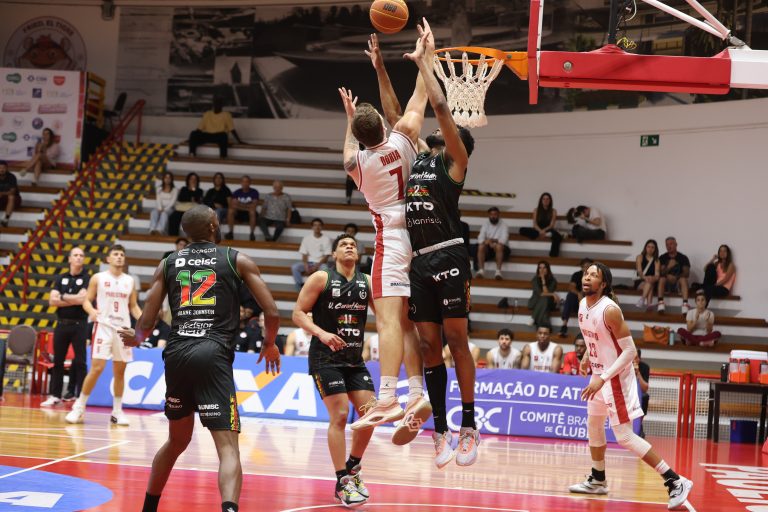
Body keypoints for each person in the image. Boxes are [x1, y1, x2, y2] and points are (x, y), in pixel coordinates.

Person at [118, 204, 280, 512]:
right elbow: (271, 312)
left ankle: (148, 508)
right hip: (212, 353)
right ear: (213, 226)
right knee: (228, 448)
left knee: (177, 441)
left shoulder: (168, 263)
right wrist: (270, 344)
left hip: (177, 354)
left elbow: (147, 321)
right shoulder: (235, 259)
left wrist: (137, 339)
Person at [337, 30, 430, 444]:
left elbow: (348, 152)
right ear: (383, 125)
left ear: (360, 137)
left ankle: (389, 397)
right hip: (421, 234)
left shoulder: (357, 165)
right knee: (407, 322)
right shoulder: (405, 136)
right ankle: (416, 393)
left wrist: (348, 119)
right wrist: (425, 56)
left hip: (390, 240)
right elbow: (419, 96)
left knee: (389, 320)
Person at [398, 20, 481, 467]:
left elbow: (442, 108)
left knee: (455, 339)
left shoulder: (455, 162)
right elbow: (401, 116)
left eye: (446, 132)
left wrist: (427, 65)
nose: (438, 130)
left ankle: (469, 425)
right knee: (429, 346)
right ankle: (441, 431)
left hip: (449, 253)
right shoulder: (418, 161)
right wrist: (403, 64)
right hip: (419, 261)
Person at [570, 262, 692, 509]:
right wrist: (588, 356)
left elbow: (630, 351)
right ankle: (598, 479)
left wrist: (603, 377)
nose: (587, 278)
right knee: (594, 424)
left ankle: (675, 480)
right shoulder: (583, 305)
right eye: (586, 274)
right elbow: (594, 336)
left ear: (603, 284)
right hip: (599, 375)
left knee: (625, 437)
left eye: (593, 275)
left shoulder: (610, 311)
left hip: (615, 379)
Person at [292, 234, 377, 507]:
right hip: (325, 358)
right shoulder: (321, 278)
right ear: (334, 254)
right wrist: (322, 333)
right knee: (339, 415)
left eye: (353, 245)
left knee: (370, 415)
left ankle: (353, 467)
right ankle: (342, 481)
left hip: (355, 360)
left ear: (358, 254)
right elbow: (297, 313)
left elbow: (385, 316)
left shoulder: (367, 282)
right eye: (343, 245)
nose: (349, 247)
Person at [65, 245, 142, 426]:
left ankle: (117, 412)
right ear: (108, 259)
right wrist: (91, 311)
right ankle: (79, 407)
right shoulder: (98, 278)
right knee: (97, 368)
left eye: (122, 254)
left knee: (120, 371)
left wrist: (144, 320)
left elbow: (133, 306)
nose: (119, 257)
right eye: (115, 254)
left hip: (124, 330)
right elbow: (86, 300)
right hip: (103, 326)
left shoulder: (129, 281)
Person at [41, 247, 90, 407]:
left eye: (81, 255)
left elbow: (83, 299)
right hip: (62, 324)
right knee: (58, 361)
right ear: (69, 259)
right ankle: (55, 395)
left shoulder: (87, 278)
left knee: (81, 362)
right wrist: (72, 299)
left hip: (79, 325)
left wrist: (61, 297)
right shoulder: (60, 278)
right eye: (75, 255)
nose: (78, 257)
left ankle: (80, 397)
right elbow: (51, 301)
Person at [291, 218, 332, 290]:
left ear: (322, 227)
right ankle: (300, 286)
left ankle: (320, 289)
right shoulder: (306, 238)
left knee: (325, 269)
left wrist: (316, 266)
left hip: (321, 263)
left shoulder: (326, 239)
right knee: (295, 267)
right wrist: (305, 265)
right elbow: (304, 254)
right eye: (315, 225)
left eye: (319, 225)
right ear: (312, 227)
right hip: (309, 263)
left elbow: (326, 256)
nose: (317, 227)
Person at [519, 192, 563, 257]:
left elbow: (551, 225)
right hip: (538, 229)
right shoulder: (536, 210)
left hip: (548, 230)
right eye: (544, 199)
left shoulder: (554, 211)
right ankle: (541, 234)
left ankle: (553, 256)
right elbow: (535, 224)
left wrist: (543, 231)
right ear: (541, 200)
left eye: (547, 199)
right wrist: (540, 231)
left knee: (558, 237)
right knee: (521, 230)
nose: (545, 200)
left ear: (550, 201)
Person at [657, 236, 691, 314]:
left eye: (671, 244)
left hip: (678, 284)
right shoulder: (662, 257)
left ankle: (685, 304)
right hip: (666, 284)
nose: (669, 246)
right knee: (662, 279)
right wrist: (669, 267)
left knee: (683, 279)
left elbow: (687, 273)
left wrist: (676, 277)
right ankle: (661, 303)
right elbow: (660, 273)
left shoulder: (683, 258)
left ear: (676, 244)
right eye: (667, 245)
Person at [560, 258, 593, 337]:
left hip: (589, 301)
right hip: (576, 302)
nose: (587, 268)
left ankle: (586, 329)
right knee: (570, 296)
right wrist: (579, 294)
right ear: (581, 267)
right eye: (585, 266)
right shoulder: (577, 275)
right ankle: (564, 325)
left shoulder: (595, 276)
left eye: (589, 266)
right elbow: (571, 288)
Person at [476, 206, 510, 280]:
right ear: (489, 215)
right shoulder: (485, 224)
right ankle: (481, 270)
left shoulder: (504, 225)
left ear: (498, 215)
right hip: (489, 247)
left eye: (495, 214)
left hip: (503, 249)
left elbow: (504, 239)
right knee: (481, 246)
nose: (493, 216)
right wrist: (487, 242)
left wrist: (492, 241)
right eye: (491, 214)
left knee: (498, 246)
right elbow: (480, 238)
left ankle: (498, 272)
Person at [528, 260, 558, 328]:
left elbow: (546, 293)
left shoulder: (553, 280)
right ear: (538, 269)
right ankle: (546, 327)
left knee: (545, 299)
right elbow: (540, 294)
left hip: (549, 303)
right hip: (535, 302)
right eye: (540, 268)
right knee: (544, 302)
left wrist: (543, 280)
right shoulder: (535, 279)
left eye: (544, 268)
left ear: (548, 269)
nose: (542, 270)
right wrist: (553, 294)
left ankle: (533, 318)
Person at [635, 239, 661, 310]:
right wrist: (645, 278)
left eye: (652, 247)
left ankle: (643, 300)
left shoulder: (657, 260)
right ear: (645, 247)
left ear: (655, 249)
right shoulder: (640, 257)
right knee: (650, 283)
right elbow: (639, 272)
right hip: (640, 280)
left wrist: (652, 278)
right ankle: (649, 303)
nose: (650, 249)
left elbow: (657, 275)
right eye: (648, 247)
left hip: (651, 280)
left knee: (650, 282)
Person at [634, 348, 650, 438]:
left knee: (645, 396)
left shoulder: (644, 367)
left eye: (635, 358)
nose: (633, 360)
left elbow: (644, 389)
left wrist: (638, 374)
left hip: (638, 393)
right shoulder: (623, 366)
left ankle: (638, 425)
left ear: (639, 359)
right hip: (624, 393)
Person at [0, 161, 21, 227]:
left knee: (11, 197)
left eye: (3, 168)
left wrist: (2, 193)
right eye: (0, 168)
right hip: (2, 199)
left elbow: (12, 191)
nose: (1, 170)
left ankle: (6, 219)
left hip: (15, 200)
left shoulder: (11, 177)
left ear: (7, 168)